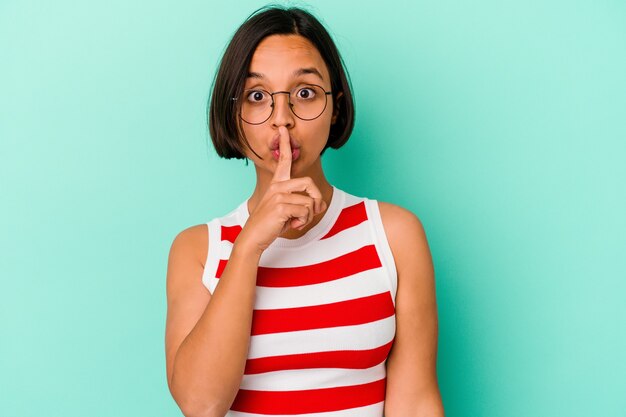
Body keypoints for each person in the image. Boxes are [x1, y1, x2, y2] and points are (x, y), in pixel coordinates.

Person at [165, 5, 445, 417]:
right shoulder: (197, 250)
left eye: (305, 93)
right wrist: (248, 247)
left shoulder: (393, 235)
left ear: (336, 107)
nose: (283, 120)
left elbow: (416, 400)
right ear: (233, 114)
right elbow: (201, 405)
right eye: (257, 96)